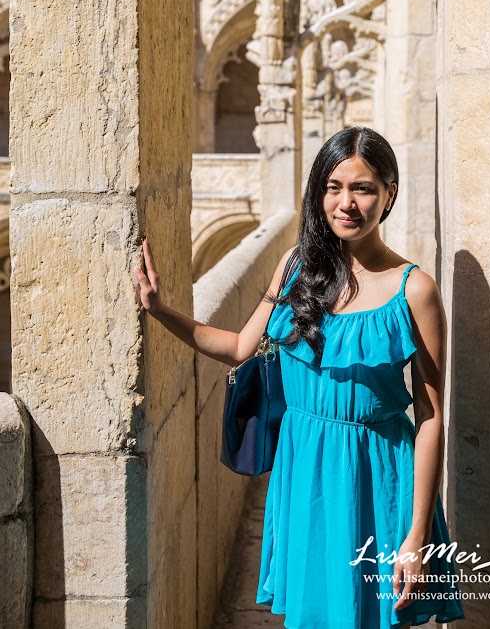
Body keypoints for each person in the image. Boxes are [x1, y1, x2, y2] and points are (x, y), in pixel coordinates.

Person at [134, 126, 465, 628]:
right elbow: (239, 348)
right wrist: (161, 310)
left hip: (377, 477)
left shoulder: (414, 289)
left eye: (363, 188)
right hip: (304, 470)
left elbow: (431, 417)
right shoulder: (296, 268)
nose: (346, 203)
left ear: (389, 194)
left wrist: (416, 536)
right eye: (334, 187)